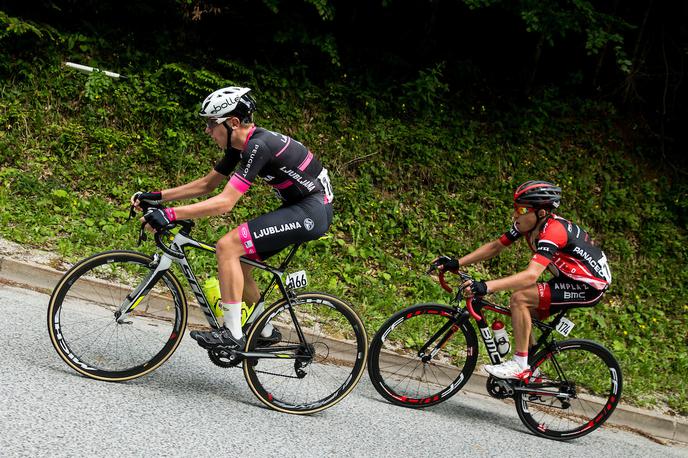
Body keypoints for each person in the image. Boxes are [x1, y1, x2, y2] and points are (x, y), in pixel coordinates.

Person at [131, 86, 334, 350]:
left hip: (312, 211)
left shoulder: (258, 146)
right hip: (301, 207)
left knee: (227, 246)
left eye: (211, 123)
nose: (207, 130)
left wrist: (169, 214)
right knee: (240, 261)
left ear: (233, 122)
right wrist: (157, 198)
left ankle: (233, 335)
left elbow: (225, 203)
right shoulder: (241, 146)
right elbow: (207, 184)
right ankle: (265, 328)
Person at [434, 180, 611, 380]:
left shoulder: (552, 231)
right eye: (516, 208)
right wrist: (457, 263)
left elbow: (531, 275)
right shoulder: (527, 225)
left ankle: (520, 364)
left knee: (520, 298)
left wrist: (486, 286)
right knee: (522, 315)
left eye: (522, 210)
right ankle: (533, 371)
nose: (515, 215)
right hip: (568, 278)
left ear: (541, 213)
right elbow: (495, 247)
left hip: (589, 286)